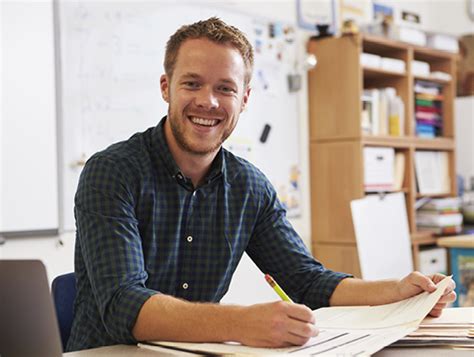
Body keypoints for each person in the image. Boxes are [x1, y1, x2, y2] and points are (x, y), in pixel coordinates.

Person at [67, 17, 456, 352]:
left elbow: (307, 281)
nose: (209, 102)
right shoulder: (111, 172)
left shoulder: (249, 187)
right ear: (166, 87)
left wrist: (397, 290)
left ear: (245, 98)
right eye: (192, 84)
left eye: (225, 88)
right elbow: (123, 306)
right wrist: (241, 323)